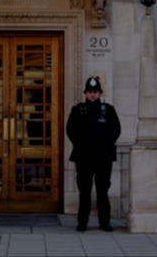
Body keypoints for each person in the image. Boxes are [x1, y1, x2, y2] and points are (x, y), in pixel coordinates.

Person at [66, 76, 121, 232]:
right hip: (84, 157)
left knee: (102, 190)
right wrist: (81, 145)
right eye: (89, 92)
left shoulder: (108, 110)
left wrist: (105, 146)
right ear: (85, 93)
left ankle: (105, 222)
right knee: (85, 190)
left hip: (103, 157)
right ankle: (82, 222)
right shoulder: (77, 110)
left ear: (100, 93)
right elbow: (71, 130)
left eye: (95, 92)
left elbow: (116, 130)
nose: (92, 95)